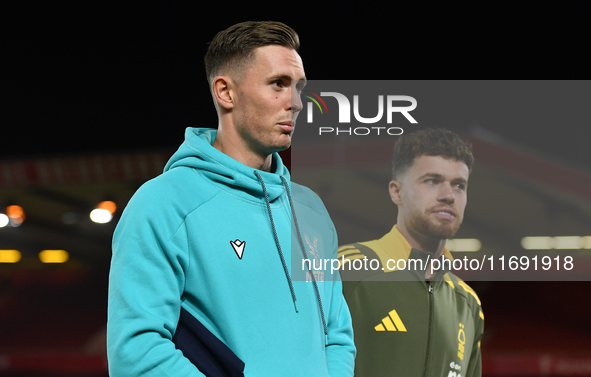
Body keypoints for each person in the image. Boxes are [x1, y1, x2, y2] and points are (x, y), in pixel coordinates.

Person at [107, 21, 355, 376]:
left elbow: (338, 337)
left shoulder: (311, 210)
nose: (297, 103)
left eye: (299, 87)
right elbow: (137, 354)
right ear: (225, 92)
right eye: (278, 85)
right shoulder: (163, 204)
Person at [338, 128, 484, 376]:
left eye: (459, 185)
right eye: (432, 181)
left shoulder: (469, 304)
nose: (448, 195)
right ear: (396, 192)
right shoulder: (344, 269)